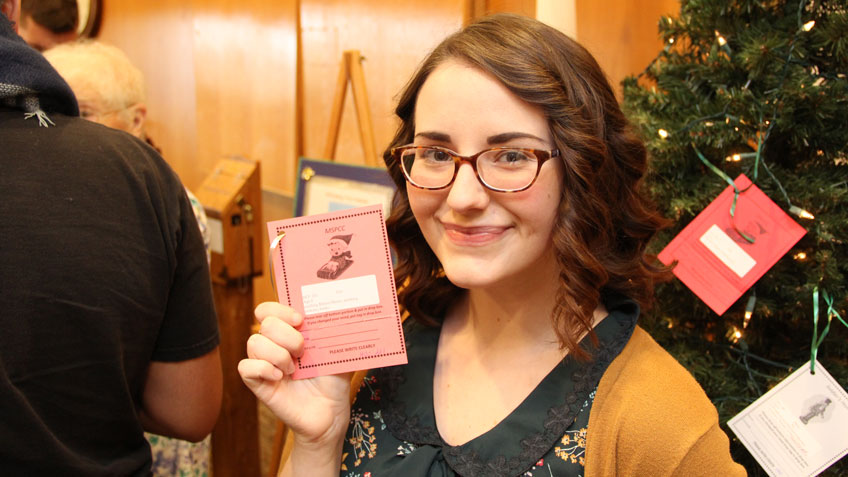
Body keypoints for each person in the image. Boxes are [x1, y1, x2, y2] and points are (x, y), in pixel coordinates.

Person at [239, 13, 746, 477]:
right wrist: (317, 441)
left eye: (509, 156)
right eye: (436, 152)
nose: (461, 198)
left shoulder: (656, 420)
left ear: (583, 171)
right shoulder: (367, 360)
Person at [0, 1, 222, 475]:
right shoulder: (143, 180)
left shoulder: (157, 189)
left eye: (87, 112)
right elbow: (187, 404)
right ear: (12, 11)